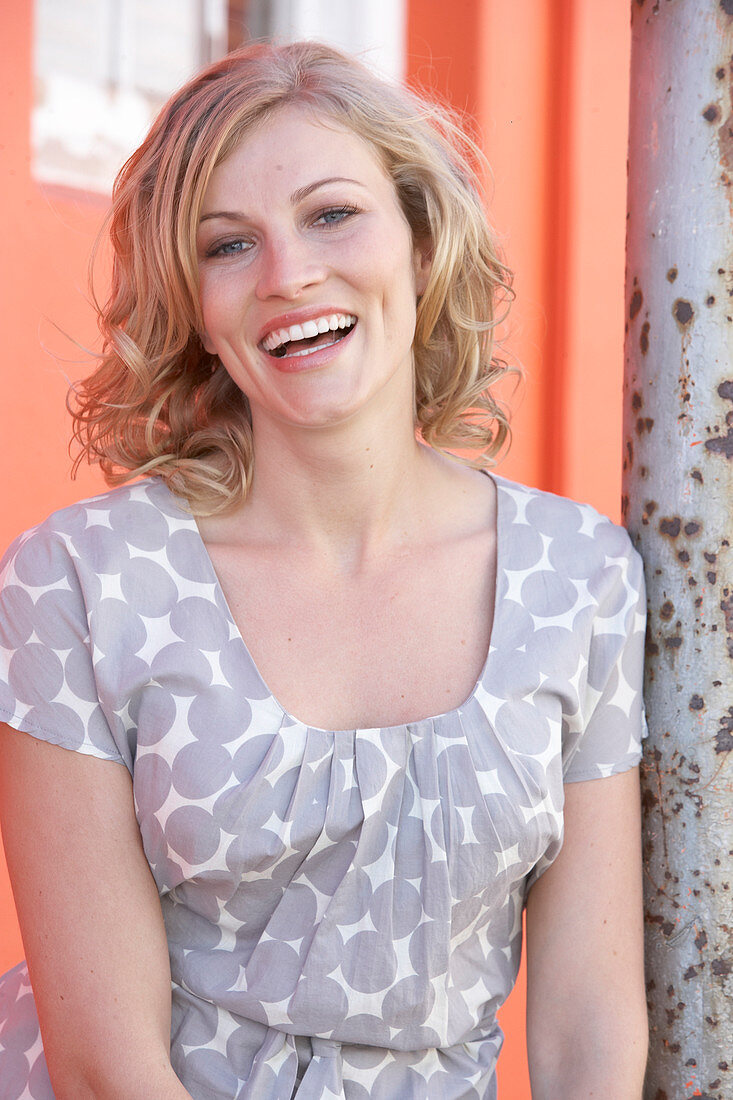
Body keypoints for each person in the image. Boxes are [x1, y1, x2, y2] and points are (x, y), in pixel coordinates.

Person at [0, 39, 648, 1100]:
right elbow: (106, 1064)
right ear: (195, 308)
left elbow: (588, 1030)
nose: (288, 275)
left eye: (332, 214)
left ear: (421, 241)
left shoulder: (578, 579)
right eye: (227, 244)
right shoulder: (77, 581)